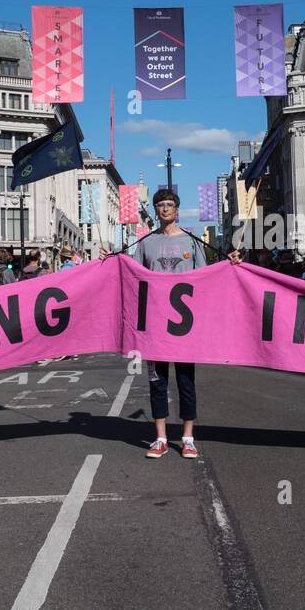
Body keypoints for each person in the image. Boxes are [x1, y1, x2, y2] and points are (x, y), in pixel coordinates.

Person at [127, 188, 206, 460]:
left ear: (177, 209)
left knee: (186, 381)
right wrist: (109, 261)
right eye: (160, 205)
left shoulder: (192, 242)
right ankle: (160, 438)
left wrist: (232, 264)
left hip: (185, 328)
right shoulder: (146, 243)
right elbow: (133, 274)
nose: (164, 209)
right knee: (157, 382)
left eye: (169, 204)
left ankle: (187, 438)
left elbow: (207, 278)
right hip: (155, 326)